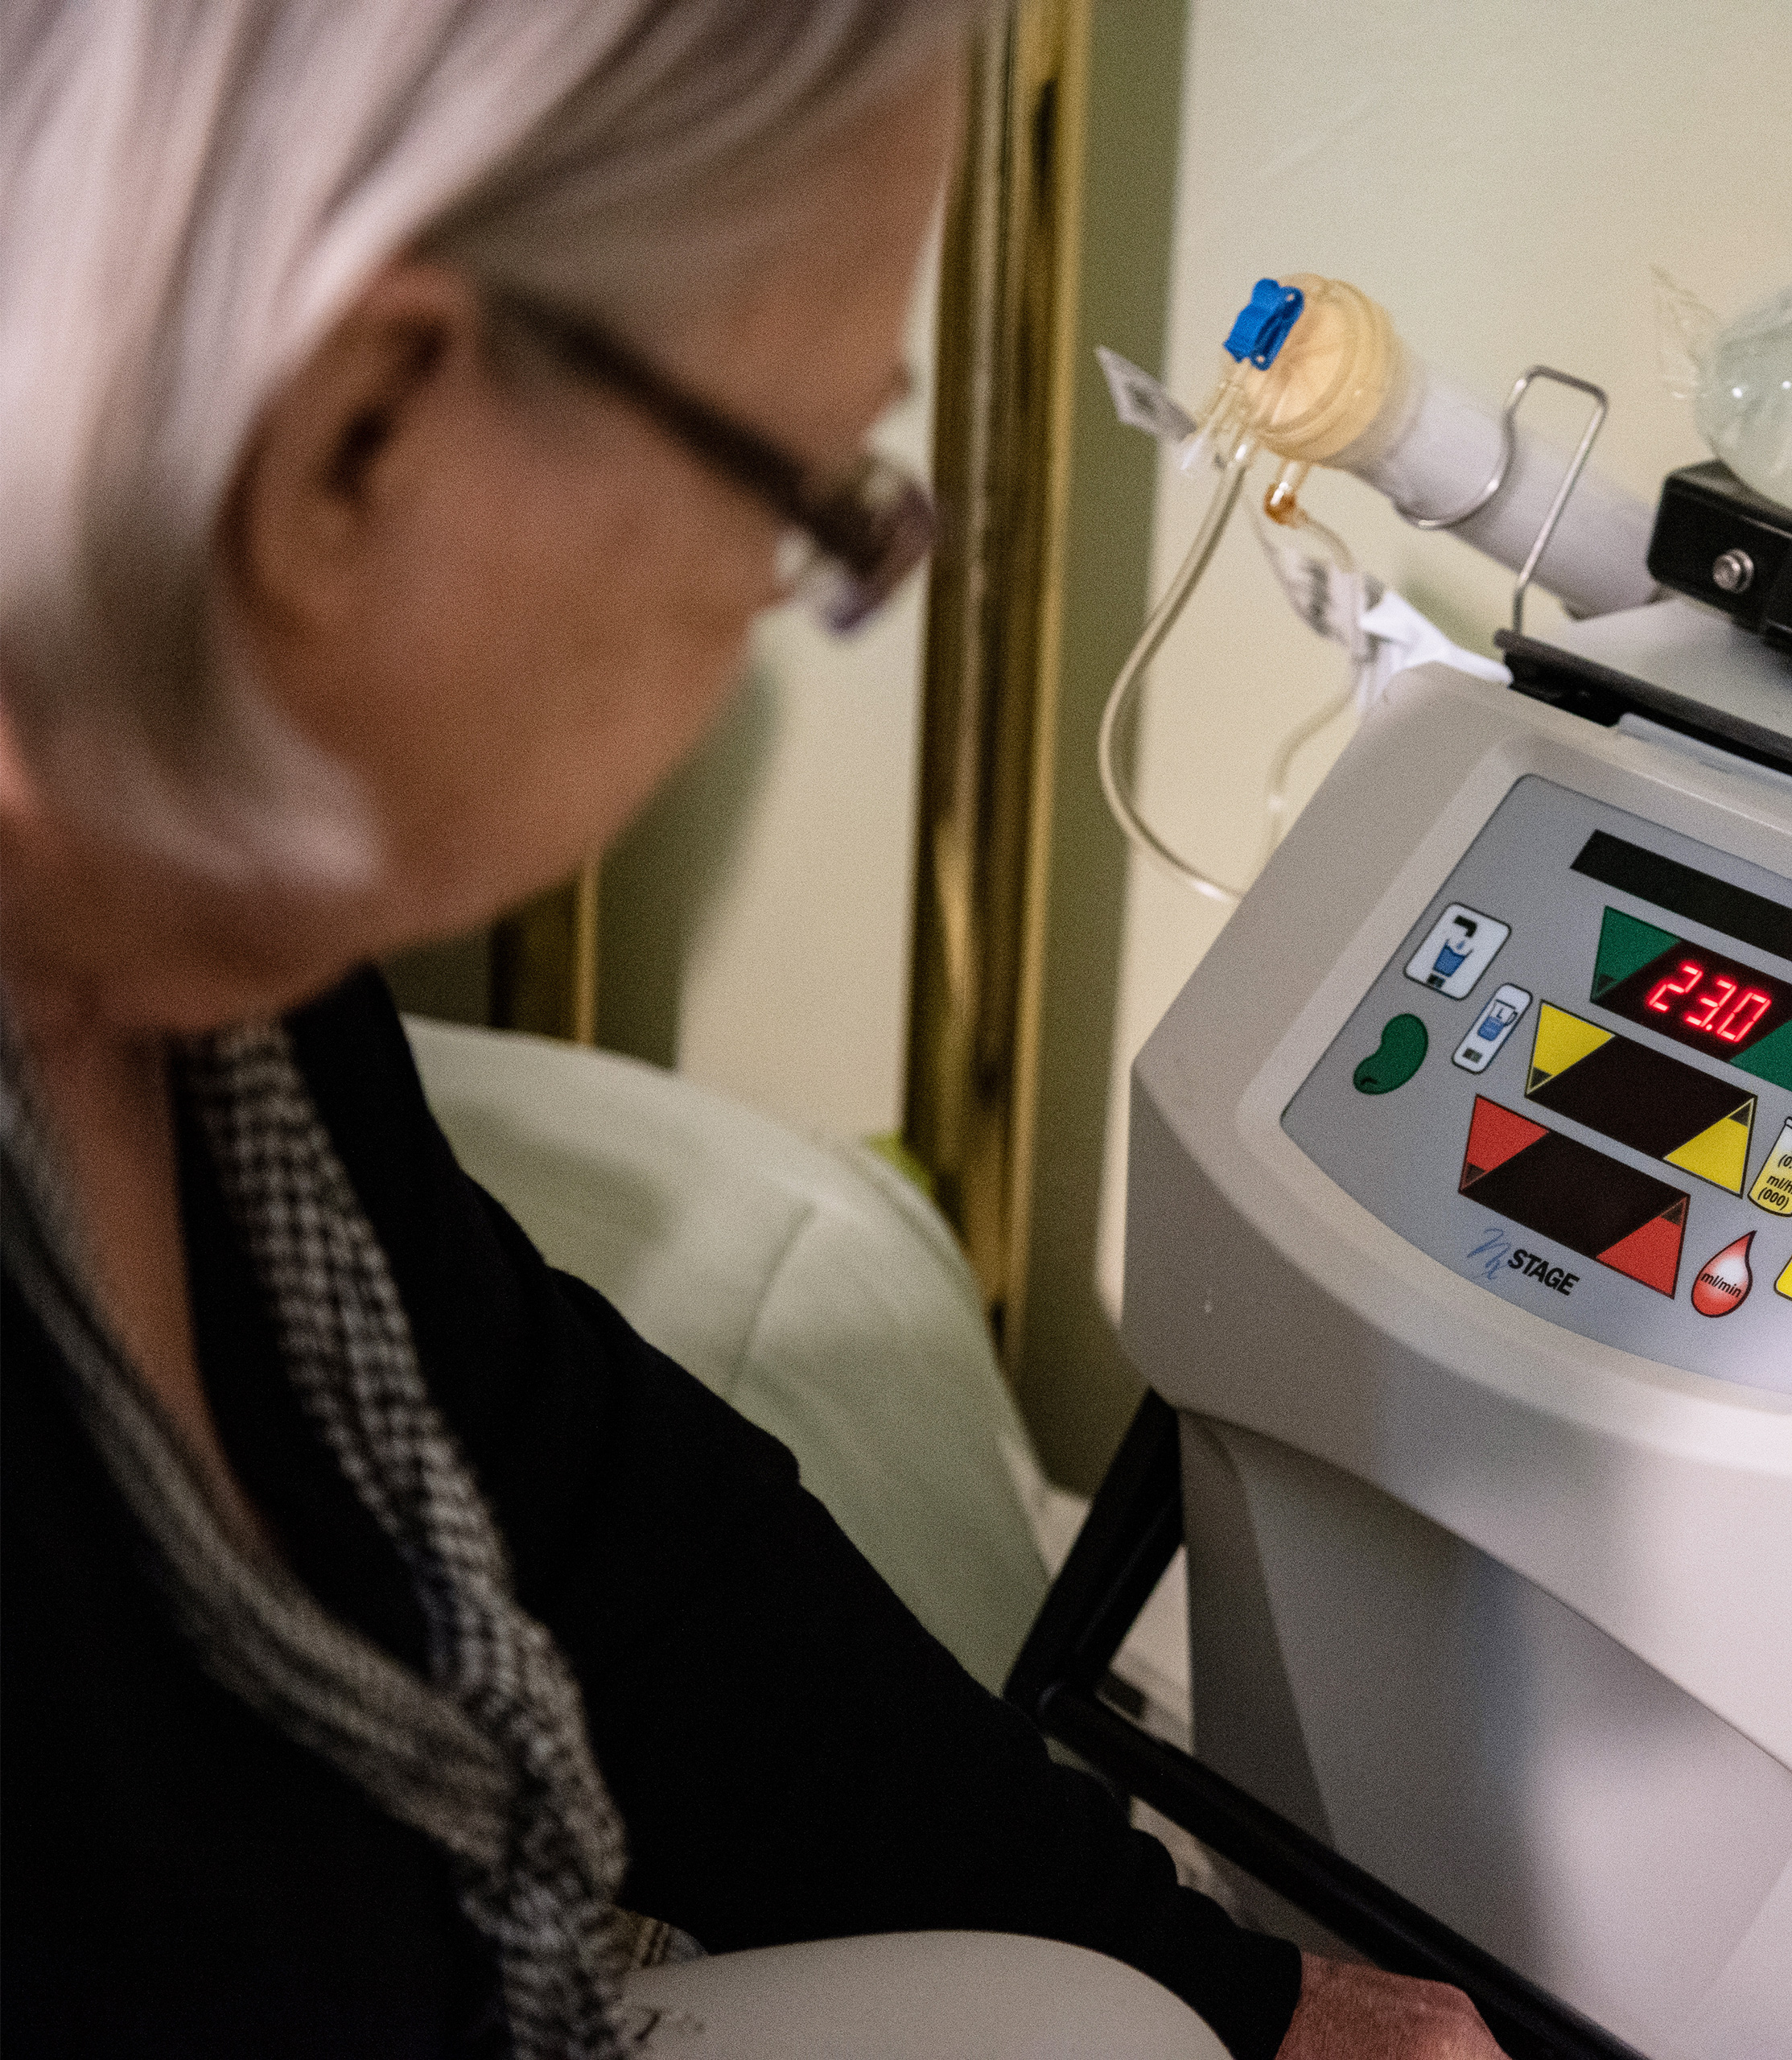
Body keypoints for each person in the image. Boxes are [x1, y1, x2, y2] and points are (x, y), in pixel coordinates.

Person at [0, 7, 1508, 2058]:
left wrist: (1231, 1986)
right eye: (807, 491)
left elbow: (572, 1505)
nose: (771, 618)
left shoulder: (202, 984)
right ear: (361, 436)